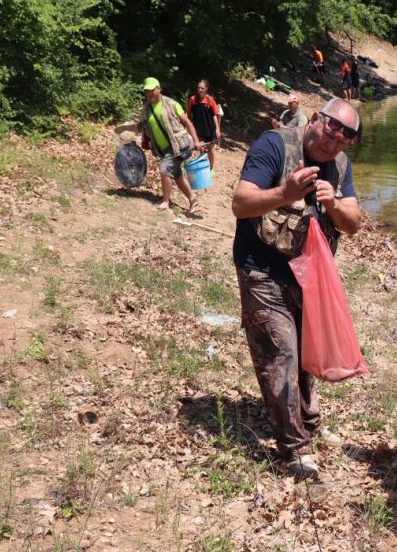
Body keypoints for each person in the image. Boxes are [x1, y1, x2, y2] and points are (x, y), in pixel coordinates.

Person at [231, 98, 362, 479]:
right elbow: (240, 203)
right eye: (332, 128)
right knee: (280, 351)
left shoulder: (339, 165)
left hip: (308, 276)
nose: (334, 140)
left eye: (345, 136)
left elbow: (353, 222)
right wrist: (286, 193)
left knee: (306, 352)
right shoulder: (274, 145)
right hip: (261, 268)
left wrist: (334, 203)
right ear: (317, 119)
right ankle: (294, 447)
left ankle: (308, 421)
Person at [137, 77, 203, 212]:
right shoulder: (145, 109)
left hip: (178, 145)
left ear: (159, 89)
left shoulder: (172, 104)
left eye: (152, 90)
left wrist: (196, 141)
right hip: (162, 148)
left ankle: (165, 201)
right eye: (147, 91)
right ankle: (193, 199)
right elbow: (141, 125)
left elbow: (188, 123)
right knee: (177, 175)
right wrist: (140, 128)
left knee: (164, 168)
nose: (150, 93)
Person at [187, 79, 222, 173]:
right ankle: (203, 168)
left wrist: (217, 129)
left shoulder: (210, 100)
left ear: (206, 88)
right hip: (198, 129)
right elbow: (188, 114)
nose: (200, 90)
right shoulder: (193, 99)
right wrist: (187, 125)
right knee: (201, 148)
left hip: (209, 129)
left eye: (202, 88)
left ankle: (211, 168)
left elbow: (214, 115)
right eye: (199, 88)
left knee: (210, 150)